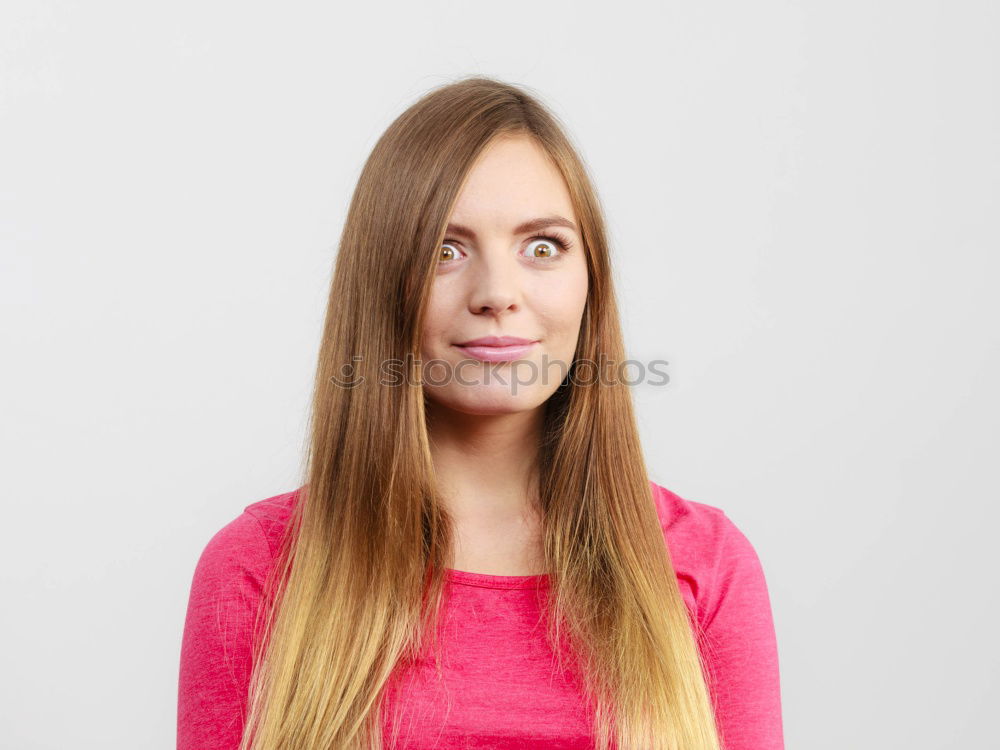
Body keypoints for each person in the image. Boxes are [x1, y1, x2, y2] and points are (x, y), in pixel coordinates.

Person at [177, 76, 783, 750]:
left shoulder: (707, 566)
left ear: (592, 281)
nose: (498, 292)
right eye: (445, 250)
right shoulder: (257, 570)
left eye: (543, 247)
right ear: (382, 285)